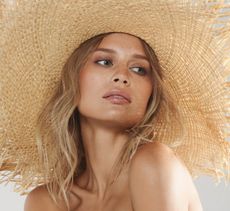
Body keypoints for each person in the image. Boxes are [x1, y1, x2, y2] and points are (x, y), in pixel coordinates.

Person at [0, 1, 229, 211]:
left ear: (151, 92)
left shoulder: (154, 162)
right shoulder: (46, 201)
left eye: (139, 69)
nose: (122, 76)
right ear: (72, 79)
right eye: (105, 62)